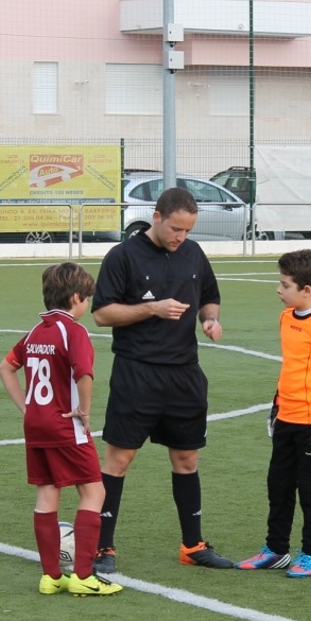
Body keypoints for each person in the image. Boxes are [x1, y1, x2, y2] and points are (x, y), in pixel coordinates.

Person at [91, 186, 234, 573]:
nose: (180, 237)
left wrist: (210, 319)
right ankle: (102, 547)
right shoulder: (123, 256)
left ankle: (193, 545)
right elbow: (102, 314)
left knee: (187, 459)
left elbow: (210, 295)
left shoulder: (193, 253)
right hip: (137, 372)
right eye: (175, 229)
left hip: (184, 373)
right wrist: (151, 308)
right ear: (156, 217)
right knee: (119, 460)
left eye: (187, 231)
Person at [0, 262, 122, 597]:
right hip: (66, 424)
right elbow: (84, 373)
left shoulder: (35, 332)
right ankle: (83, 575)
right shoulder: (74, 332)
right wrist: (84, 410)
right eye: (87, 299)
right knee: (94, 492)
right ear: (77, 298)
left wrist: (27, 407)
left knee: (47, 493)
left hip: (36, 426)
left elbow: (5, 368)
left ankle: (51, 576)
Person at [237, 249, 311, 578]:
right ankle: (276, 550)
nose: (278, 290)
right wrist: (276, 405)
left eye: (285, 285)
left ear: (306, 290)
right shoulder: (286, 318)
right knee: (279, 487)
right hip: (286, 419)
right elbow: (292, 367)